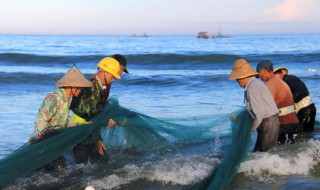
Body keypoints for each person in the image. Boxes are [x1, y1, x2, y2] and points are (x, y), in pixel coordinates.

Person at [70, 55, 128, 163]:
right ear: (105, 72)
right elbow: (88, 117)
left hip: (88, 130)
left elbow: (94, 113)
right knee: (79, 167)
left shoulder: (100, 85)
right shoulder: (92, 89)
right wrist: (104, 125)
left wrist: (98, 138)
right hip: (80, 131)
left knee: (100, 162)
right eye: (113, 76)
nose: (114, 79)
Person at [33, 66, 92, 170]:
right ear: (72, 86)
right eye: (81, 87)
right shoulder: (55, 98)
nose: (82, 90)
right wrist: (45, 140)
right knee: (59, 169)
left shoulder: (66, 100)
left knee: (60, 169)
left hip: (54, 142)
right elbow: (40, 119)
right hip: (42, 143)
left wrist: (81, 124)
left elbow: (62, 123)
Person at [229, 59, 280, 152]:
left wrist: (250, 128)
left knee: (264, 154)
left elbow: (260, 112)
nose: (237, 81)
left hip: (268, 123)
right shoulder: (254, 84)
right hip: (269, 122)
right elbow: (254, 110)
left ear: (243, 77)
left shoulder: (252, 88)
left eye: (237, 78)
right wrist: (240, 119)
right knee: (261, 153)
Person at [256, 60, 299, 144]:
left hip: (285, 123)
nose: (260, 78)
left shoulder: (269, 84)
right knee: (290, 151)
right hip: (294, 121)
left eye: (259, 74)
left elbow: (265, 106)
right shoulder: (281, 82)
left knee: (280, 151)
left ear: (264, 71)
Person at [274, 67, 317, 132]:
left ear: (279, 74)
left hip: (305, 110)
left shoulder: (288, 80)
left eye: (275, 78)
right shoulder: (291, 78)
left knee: (301, 133)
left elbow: (298, 94)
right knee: (308, 132)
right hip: (310, 107)